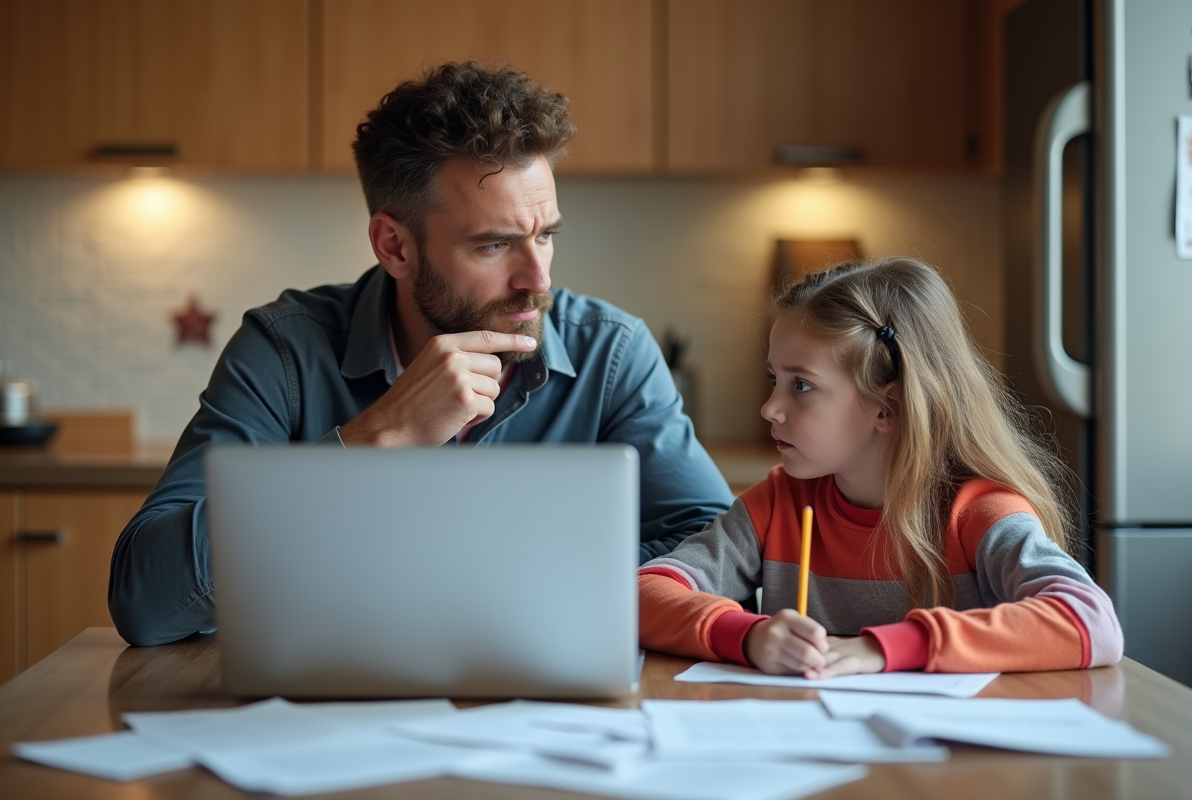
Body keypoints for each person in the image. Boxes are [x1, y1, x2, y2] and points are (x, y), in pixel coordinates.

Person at [109, 62, 734, 647]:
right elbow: (148, 602)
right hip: (323, 716)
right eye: (494, 246)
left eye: (545, 235)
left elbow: (721, 555)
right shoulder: (286, 350)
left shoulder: (612, 352)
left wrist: (501, 571)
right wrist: (381, 440)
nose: (537, 278)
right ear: (395, 246)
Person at [638, 257, 1123, 676]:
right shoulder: (779, 502)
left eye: (800, 385)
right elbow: (642, 592)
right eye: (774, 379)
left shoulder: (979, 513)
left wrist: (884, 647)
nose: (770, 408)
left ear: (886, 408)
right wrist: (746, 636)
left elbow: (1090, 619)